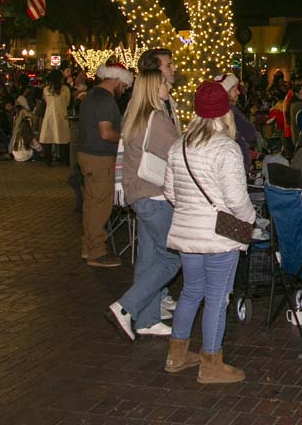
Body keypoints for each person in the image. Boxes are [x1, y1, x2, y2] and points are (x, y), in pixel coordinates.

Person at [164, 81, 255, 384]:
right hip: (218, 235)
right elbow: (237, 200)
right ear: (224, 112)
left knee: (190, 291)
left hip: (187, 233)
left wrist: (192, 212)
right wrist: (249, 221)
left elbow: (170, 192)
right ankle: (211, 362)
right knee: (218, 296)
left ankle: (176, 354)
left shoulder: (179, 145)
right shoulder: (226, 148)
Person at [107, 69, 183, 341]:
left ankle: (148, 320)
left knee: (150, 259)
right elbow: (178, 155)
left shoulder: (133, 116)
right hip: (155, 196)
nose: (169, 86)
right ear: (154, 87)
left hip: (138, 195)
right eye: (164, 83)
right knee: (171, 259)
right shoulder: (158, 119)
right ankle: (126, 306)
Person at [78, 63, 132, 268]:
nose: (124, 90)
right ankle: (97, 252)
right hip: (100, 158)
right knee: (100, 207)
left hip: (88, 156)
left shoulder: (91, 96)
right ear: (118, 81)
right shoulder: (106, 101)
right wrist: (127, 139)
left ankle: (89, 246)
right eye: (124, 86)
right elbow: (106, 133)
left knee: (91, 205)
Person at [217, 73, 258, 169]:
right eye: (234, 90)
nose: (238, 92)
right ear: (226, 92)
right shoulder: (230, 110)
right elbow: (250, 132)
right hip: (236, 162)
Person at [40, 69, 71, 166]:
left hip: (49, 115)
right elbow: (67, 102)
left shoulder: (46, 89)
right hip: (62, 115)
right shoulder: (65, 89)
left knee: (48, 138)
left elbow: (45, 102)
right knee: (63, 139)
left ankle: (48, 160)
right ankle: (65, 160)